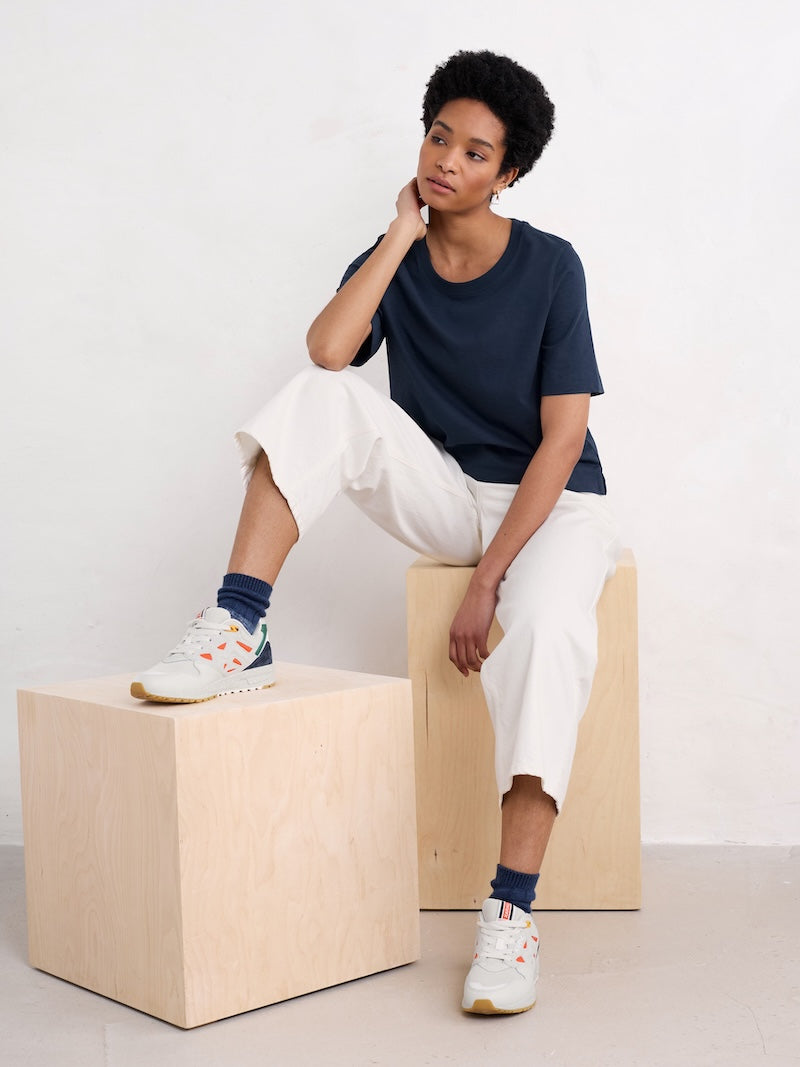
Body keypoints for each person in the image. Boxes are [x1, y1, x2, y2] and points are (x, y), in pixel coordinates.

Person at [132, 50, 622, 1015]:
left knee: (552, 635)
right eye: (439, 138)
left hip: (550, 504)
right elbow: (326, 354)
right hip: (449, 489)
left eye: (475, 152)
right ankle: (243, 625)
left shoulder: (552, 264)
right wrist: (401, 234)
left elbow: (565, 440)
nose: (448, 161)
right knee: (324, 400)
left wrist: (489, 581)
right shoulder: (398, 251)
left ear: (508, 173)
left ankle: (511, 916)